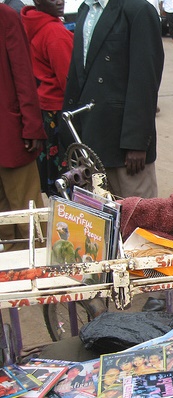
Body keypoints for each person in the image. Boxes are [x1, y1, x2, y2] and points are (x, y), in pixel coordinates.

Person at [62, 0, 164, 199]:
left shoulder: (138, 10)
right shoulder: (85, 10)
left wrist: (137, 142)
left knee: (136, 222)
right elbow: (78, 76)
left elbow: (145, 80)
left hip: (125, 150)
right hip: (90, 140)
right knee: (100, 220)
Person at [0, 3, 46, 253]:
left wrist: (31, 126)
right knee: (9, 213)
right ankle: (13, 272)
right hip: (10, 132)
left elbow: (22, 73)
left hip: (11, 133)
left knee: (26, 209)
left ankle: (39, 271)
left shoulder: (6, 16)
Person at [20, 0, 74, 197]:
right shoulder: (54, 32)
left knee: (52, 176)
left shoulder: (30, 23)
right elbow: (69, 80)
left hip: (44, 109)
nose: (60, 1)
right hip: (59, 108)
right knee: (67, 177)